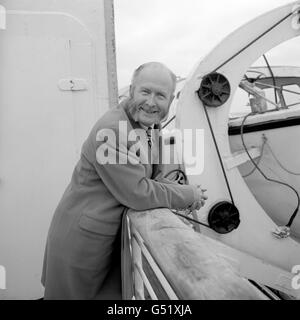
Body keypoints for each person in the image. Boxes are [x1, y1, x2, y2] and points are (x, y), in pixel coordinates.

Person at [41, 62, 207, 299]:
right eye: (145, 91)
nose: (151, 102)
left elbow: (153, 177)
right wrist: (189, 195)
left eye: (160, 95)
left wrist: (188, 191)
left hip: (108, 240)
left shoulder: (150, 126)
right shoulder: (112, 130)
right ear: (132, 91)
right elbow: (137, 192)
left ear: (171, 101)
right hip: (83, 241)